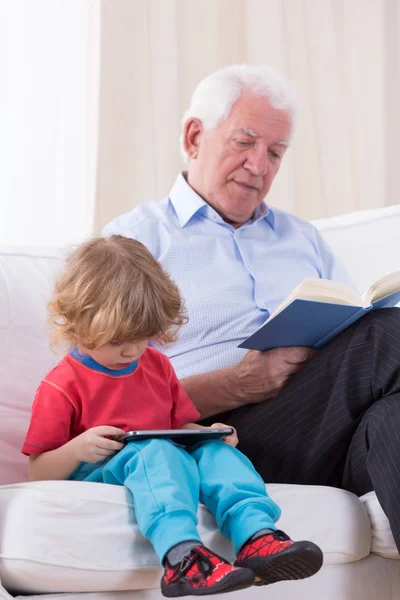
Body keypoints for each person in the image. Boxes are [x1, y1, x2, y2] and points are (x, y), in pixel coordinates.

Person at [103, 64, 400, 553]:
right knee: (387, 336)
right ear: (195, 136)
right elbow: (100, 399)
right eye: (245, 142)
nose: (260, 166)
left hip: (325, 430)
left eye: (276, 153)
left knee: (393, 417)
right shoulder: (133, 241)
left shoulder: (302, 237)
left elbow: (358, 336)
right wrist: (235, 383)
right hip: (223, 442)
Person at [22, 235, 323, 598]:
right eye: (117, 340)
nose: (132, 350)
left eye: (143, 337)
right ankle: (182, 558)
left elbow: (177, 426)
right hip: (106, 471)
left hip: (159, 457)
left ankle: (257, 537)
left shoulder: (155, 365)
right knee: (155, 452)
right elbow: (38, 470)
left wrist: (208, 433)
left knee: (216, 452)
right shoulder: (61, 385)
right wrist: (80, 448)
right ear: (78, 321)